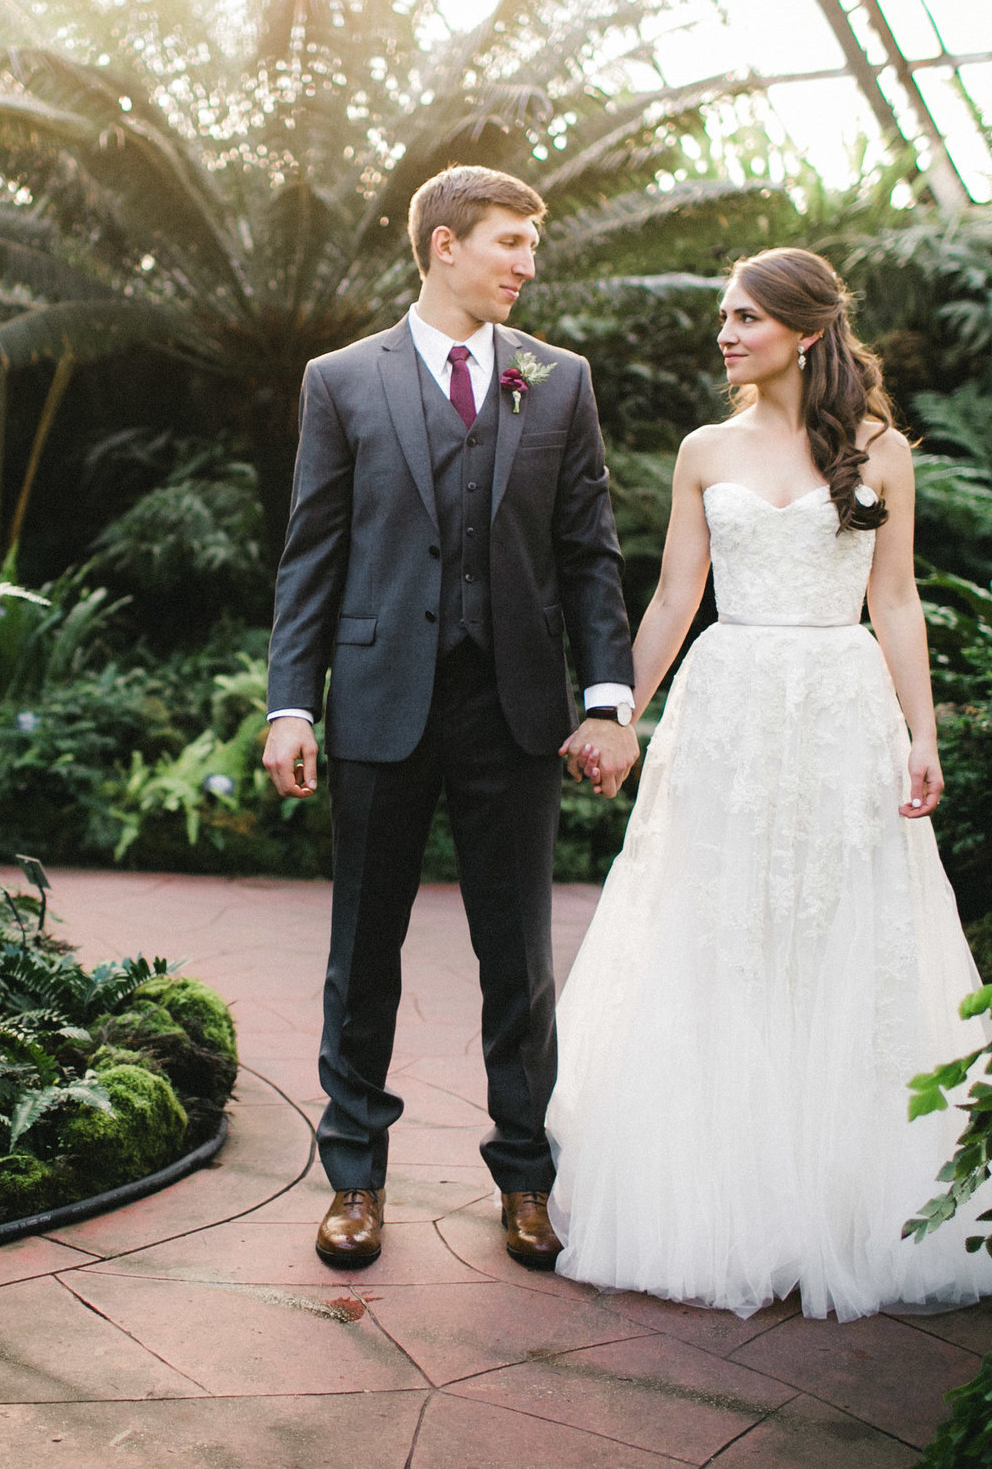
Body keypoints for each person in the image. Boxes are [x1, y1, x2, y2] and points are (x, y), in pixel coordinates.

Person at [544, 247, 992, 1318]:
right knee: (720, 926)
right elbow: (670, 601)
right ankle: (723, 1195)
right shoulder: (703, 448)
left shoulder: (880, 451)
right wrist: (617, 712)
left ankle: (846, 1198)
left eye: (744, 316)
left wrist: (922, 734)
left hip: (838, 705)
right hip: (728, 706)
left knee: (842, 931)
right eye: (723, 315)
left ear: (805, 329)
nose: (725, 334)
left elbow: (900, 600)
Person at [262, 165, 639, 1272]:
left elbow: (589, 552)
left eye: (532, 244)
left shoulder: (557, 381)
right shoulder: (340, 380)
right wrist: (292, 701)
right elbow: (311, 552)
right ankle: (353, 1180)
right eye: (511, 242)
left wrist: (607, 698)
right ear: (442, 245)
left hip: (514, 710)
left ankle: (525, 1178)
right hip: (380, 705)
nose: (528, 263)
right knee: (360, 951)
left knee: (515, 955)